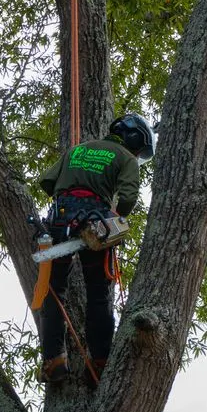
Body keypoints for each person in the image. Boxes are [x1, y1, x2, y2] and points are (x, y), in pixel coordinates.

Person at [37, 112, 156, 383]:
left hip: (60, 219)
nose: (136, 155)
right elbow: (127, 198)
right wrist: (115, 214)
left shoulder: (77, 150)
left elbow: (46, 181)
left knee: (54, 292)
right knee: (98, 294)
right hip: (96, 223)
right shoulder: (126, 158)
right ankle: (100, 362)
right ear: (134, 139)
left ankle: (54, 361)